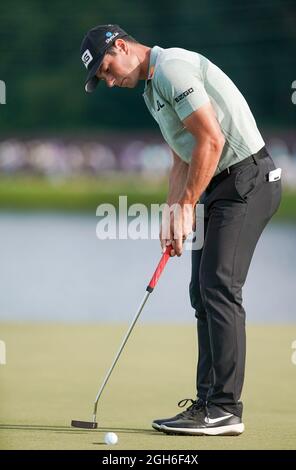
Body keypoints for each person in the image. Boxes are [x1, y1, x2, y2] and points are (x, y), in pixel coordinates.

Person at [80, 24, 282, 436]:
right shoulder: (152, 92)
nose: (110, 80)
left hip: (248, 180)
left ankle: (225, 408)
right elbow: (182, 157)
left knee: (220, 287)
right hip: (220, 185)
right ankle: (207, 404)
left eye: (106, 68)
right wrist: (173, 212)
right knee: (201, 292)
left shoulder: (172, 68)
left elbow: (211, 140)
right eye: (102, 77)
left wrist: (189, 204)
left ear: (122, 46)